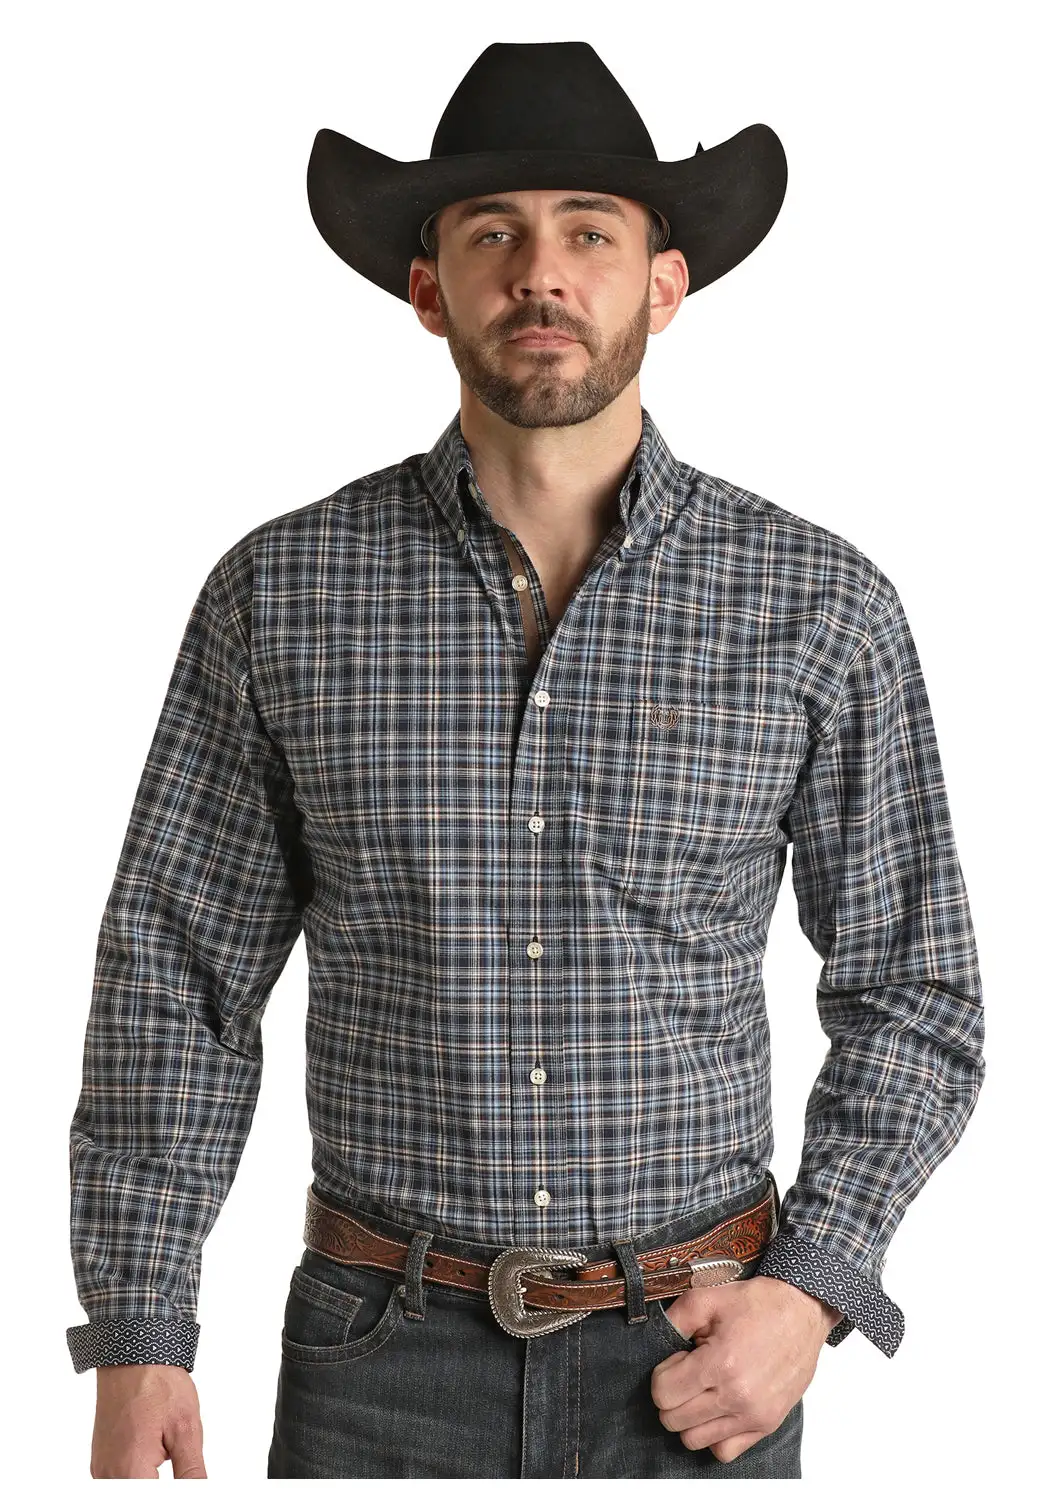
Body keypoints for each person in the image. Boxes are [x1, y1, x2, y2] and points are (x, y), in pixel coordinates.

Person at [67, 41, 986, 1480]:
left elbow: (915, 988)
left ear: (663, 286)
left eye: (589, 234)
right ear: (427, 289)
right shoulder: (282, 595)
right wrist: (141, 1327)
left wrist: (811, 1291)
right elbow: (177, 978)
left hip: (698, 1355)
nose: (541, 274)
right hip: (377, 1364)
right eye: (493, 234)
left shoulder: (818, 607)